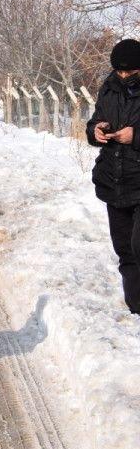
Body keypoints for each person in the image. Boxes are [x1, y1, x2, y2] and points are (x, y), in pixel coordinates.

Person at [88, 39, 140, 314]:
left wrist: (135, 136)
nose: (123, 77)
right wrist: (95, 130)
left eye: (130, 73)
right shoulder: (108, 88)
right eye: (119, 72)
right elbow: (94, 120)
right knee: (125, 250)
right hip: (114, 180)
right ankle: (136, 308)